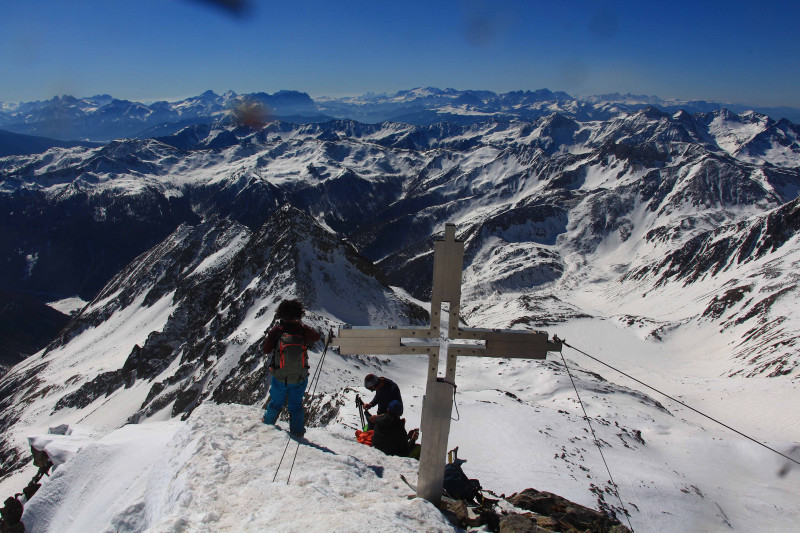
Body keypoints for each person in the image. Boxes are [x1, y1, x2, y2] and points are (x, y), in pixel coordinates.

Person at [262, 299, 321, 438]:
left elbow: (266, 349)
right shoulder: (302, 330)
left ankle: (267, 424)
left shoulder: (278, 330)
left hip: (280, 376)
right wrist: (301, 326)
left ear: (281, 314)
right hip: (300, 377)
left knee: (276, 402)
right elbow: (317, 336)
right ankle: (297, 431)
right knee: (296, 405)